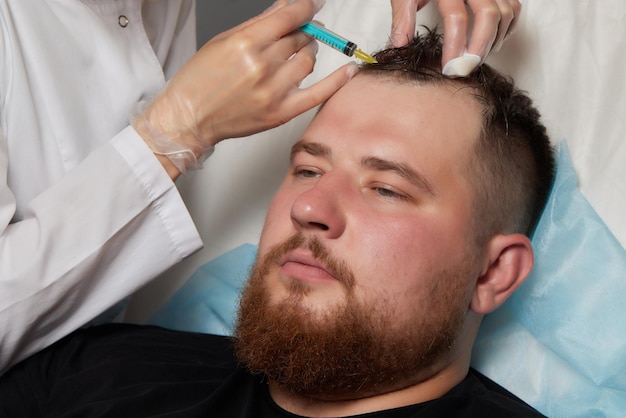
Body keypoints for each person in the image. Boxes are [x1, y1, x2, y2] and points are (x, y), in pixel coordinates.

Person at [0, 29, 553, 417]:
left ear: (493, 273)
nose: (308, 207)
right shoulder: (90, 372)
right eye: (308, 169)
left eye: (386, 188)